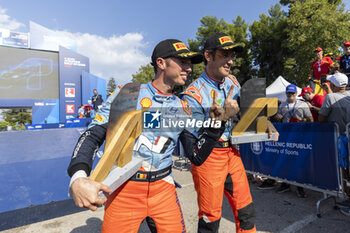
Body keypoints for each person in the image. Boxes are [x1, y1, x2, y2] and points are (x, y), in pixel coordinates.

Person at [67, 39, 238, 233]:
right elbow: (92, 135)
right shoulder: (129, 94)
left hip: (163, 189)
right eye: (183, 62)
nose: (189, 68)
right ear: (161, 63)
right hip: (124, 190)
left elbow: (196, 156)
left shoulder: (182, 107)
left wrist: (217, 123)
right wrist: (78, 177)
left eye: (190, 63)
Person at [182, 32, 259, 233]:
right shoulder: (193, 94)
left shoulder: (233, 81)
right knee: (211, 218)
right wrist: (221, 118)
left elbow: (246, 112)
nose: (230, 61)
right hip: (208, 157)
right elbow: (194, 144)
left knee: (246, 212)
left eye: (232, 55)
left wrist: (263, 120)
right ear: (208, 56)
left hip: (231, 153)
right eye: (224, 54)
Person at [318, 72, 350, 216]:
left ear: (335, 85)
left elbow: (321, 118)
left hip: (341, 139)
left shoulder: (330, 97)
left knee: (345, 172)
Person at [274, 84, 313, 197]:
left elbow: (311, 120)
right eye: (288, 93)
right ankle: (286, 184)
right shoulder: (282, 105)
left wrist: (300, 119)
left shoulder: (303, 104)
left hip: (299, 137)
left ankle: (300, 187)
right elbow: (278, 117)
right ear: (286, 93)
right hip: (286, 136)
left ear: (296, 93)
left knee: (298, 162)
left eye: (292, 93)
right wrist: (278, 116)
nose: (290, 95)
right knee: (286, 160)